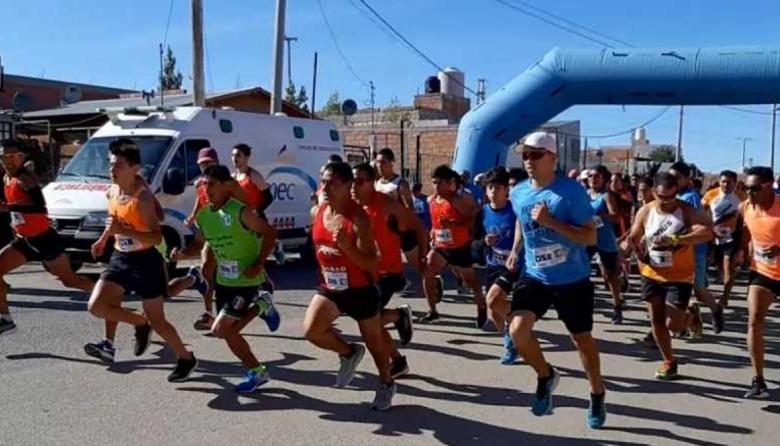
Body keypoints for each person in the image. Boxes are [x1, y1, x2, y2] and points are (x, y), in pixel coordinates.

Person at [505, 131, 606, 429]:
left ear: (552, 158)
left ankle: (597, 392)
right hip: (536, 275)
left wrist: (551, 222)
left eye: (535, 155)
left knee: (582, 340)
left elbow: (590, 236)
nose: (528, 160)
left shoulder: (570, 192)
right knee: (517, 331)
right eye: (525, 154)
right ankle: (546, 375)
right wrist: (515, 250)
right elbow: (523, 223)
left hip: (572, 279)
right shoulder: (519, 192)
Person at [87, 139, 196, 382]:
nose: (112, 170)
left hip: (147, 261)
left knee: (159, 319)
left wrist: (123, 231)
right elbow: (114, 221)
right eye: (110, 165)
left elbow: (156, 237)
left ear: (135, 167)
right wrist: (104, 239)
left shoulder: (143, 198)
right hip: (120, 257)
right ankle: (138, 323)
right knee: (97, 306)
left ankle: (186, 358)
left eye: (118, 166)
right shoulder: (112, 191)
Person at [172, 164, 281, 392]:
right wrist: (181, 254)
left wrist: (258, 263)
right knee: (227, 332)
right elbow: (200, 245)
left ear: (225, 186)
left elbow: (270, 233)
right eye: (204, 185)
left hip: (247, 280)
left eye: (212, 184)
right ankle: (262, 306)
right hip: (225, 282)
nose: (207, 189)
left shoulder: (240, 211)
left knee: (221, 329)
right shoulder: (204, 216)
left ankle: (258, 371)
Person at [303, 161, 396, 411]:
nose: (326, 187)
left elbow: (371, 263)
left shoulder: (358, 220)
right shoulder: (318, 212)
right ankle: (349, 352)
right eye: (323, 181)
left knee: (376, 344)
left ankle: (386, 383)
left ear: (347, 185)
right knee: (312, 331)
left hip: (360, 289)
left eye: (332, 183)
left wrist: (347, 247)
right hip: (331, 286)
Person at [0, 139, 94, 335]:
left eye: (12, 156)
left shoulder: (26, 179)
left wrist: (9, 208)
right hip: (24, 241)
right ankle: (6, 319)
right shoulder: (6, 179)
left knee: (70, 281)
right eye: (3, 156)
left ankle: (107, 296)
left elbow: (38, 207)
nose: (7, 161)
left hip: (44, 239)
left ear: (21, 157)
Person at [626, 173, 712, 380]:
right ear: (654, 192)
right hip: (651, 272)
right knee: (656, 320)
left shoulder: (686, 210)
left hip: (679, 275)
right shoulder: (646, 210)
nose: (667, 202)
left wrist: (676, 238)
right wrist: (632, 249)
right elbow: (634, 237)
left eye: (672, 197)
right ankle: (669, 361)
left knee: (673, 325)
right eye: (662, 197)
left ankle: (690, 317)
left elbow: (707, 232)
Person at [352, 163, 427, 379]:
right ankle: (398, 359)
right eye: (353, 181)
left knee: (368, 320)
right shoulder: (353, 206)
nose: (354, 186)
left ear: (372, 182)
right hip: (366, 272)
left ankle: (398, 317)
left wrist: (422, 258)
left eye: (360, 181)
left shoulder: (386, 204)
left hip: (388, 272)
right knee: (369, 322)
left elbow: (419, 228)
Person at [185, 147, 250, 330]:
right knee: (207, 268)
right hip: (213, 230)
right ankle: (208, 314)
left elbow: (245, 203)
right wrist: (193, 215)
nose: (205, 167)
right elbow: (201, 200)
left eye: (208, 163)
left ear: (216, 162)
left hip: (233, 231)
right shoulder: (200, 183)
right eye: (202, 164)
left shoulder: (227, 182)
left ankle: (260, 293)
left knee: (240, 271)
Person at [418, 165, 483, 325]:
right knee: (427, 270)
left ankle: (482, 308)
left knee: (470, 281)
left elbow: (472, 221)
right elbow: (434, 223)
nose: (436, 186)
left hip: (460, 247)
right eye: (434, 183)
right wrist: (432, 233)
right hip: (441, 246)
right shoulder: (432, 200)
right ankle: (432, 311)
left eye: (440, 183)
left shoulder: (458, 200)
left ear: (449, 183)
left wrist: (454, 224)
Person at [736, 166, 780, 398]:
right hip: (763, 272)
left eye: (754, 188)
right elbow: (745, 231)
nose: (749, 193)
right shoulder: (746, 207)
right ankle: (758, 380)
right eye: (746, 188)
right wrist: (742, 250)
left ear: (769, 185)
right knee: (754, 321)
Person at [668, 162, 725, 336]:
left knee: (699, 291)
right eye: (671, 178)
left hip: (693, 251)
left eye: (677, 178)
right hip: (675, 252)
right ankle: (683, 322)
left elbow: (692, 224)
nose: (674, 181)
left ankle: (715, 310)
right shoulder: (670, 196)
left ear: (687, 179)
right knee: (672, 290)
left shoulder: (690, 197)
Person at [481, 167, 523, 365]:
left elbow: (521, 231)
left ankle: (511, 337)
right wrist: (483, 241)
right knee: (493, 311)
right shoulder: (482, 211)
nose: (493, 192)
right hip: (493, 264)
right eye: (490, 188)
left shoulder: (515, 209)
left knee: (492, 299)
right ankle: (512, 331)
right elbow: (473, 239)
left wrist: (515, 251)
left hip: (515, 265)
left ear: (506, 189)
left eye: (497, 188)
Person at [231, 143, 283, 263]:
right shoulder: (232, 177)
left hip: (255, 217)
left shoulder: (254, 175)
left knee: (256, 253)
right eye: (233, 155)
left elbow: (268, 197)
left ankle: (274, 246)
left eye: (238, 155)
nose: (235, 158)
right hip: (239, 218)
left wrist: (257, 211)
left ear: (247, 158)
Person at [701, 170, 745, 308]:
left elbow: (746, 216)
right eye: (723, 182)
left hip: (733, 237)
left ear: (735, 183)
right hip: (714, 236)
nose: (725, 185)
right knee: (719, 265)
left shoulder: (741, 196)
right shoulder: (711, 194)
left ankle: (725, 296)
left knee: (728, 265)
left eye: (729, 182)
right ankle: (726, 281)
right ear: (719, 182)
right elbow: (701, 212)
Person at [587, 166, 625, 324]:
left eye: (597, 176)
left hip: (605, 240)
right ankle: (586, 301)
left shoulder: (606, 196)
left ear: (603, 179)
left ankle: (617, 306)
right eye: (590, 176)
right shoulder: (586, 194)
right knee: (581, 271)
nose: (593, 179)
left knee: (610, 276)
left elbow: (617, 217)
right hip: (588, 238)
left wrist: (602, 215)